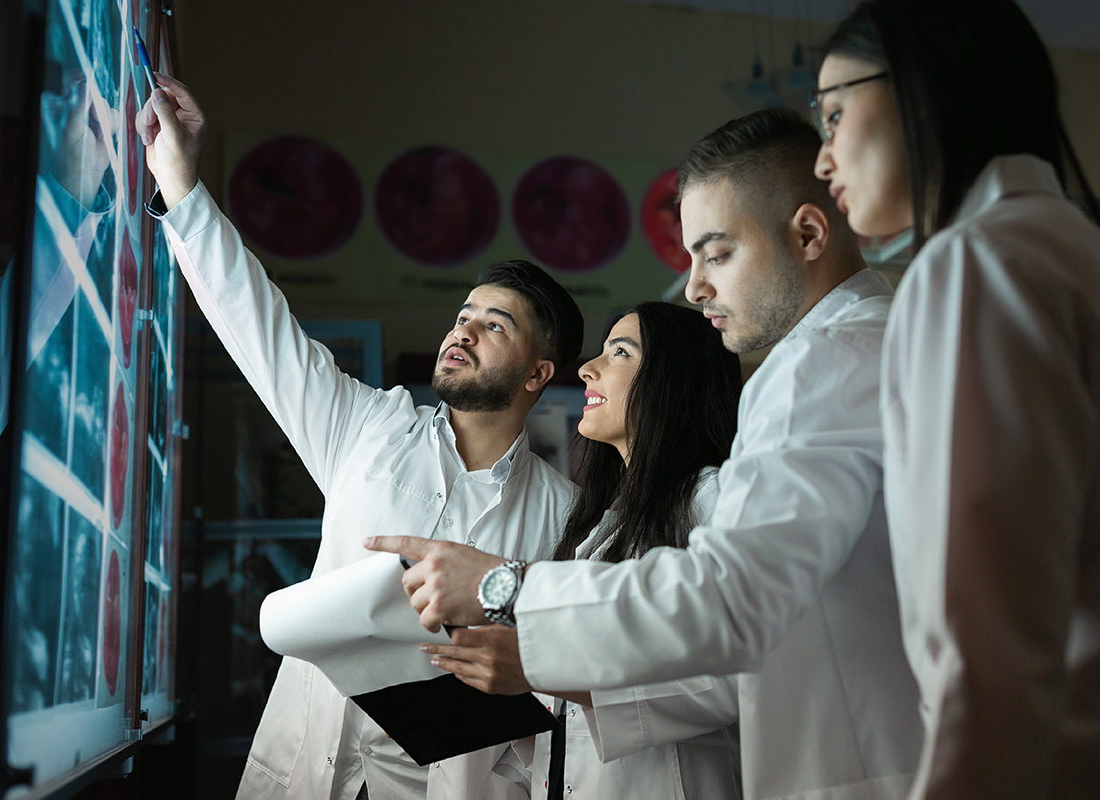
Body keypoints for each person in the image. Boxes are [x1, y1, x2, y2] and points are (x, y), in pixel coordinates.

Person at [368, 107, 924, 800]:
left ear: (809, 232)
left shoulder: (824, 364)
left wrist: (505, 589)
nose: (694, 287)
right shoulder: (860, 351)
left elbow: (728, 600)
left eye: (716, 254)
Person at [135, 77, 584, 800]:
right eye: (464, 313)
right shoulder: (369, 426)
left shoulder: (563, 514)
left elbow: (570, 672)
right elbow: (260, 329)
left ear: (539, 373)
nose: (462, 329)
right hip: (311, 771)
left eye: (494, 325)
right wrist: (182, 187)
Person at [809, 1, 1100, 797]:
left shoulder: (974, 265)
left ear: (919, 86)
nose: (822, 157)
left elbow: (987, 652)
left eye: (835, 113)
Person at [424, 300, 744, 799]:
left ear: (674, 381)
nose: (588, 369)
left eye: (619, 353)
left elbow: (729, 676)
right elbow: (569, 723)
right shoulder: (598, 525)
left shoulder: (713, 498)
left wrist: (543, 667)